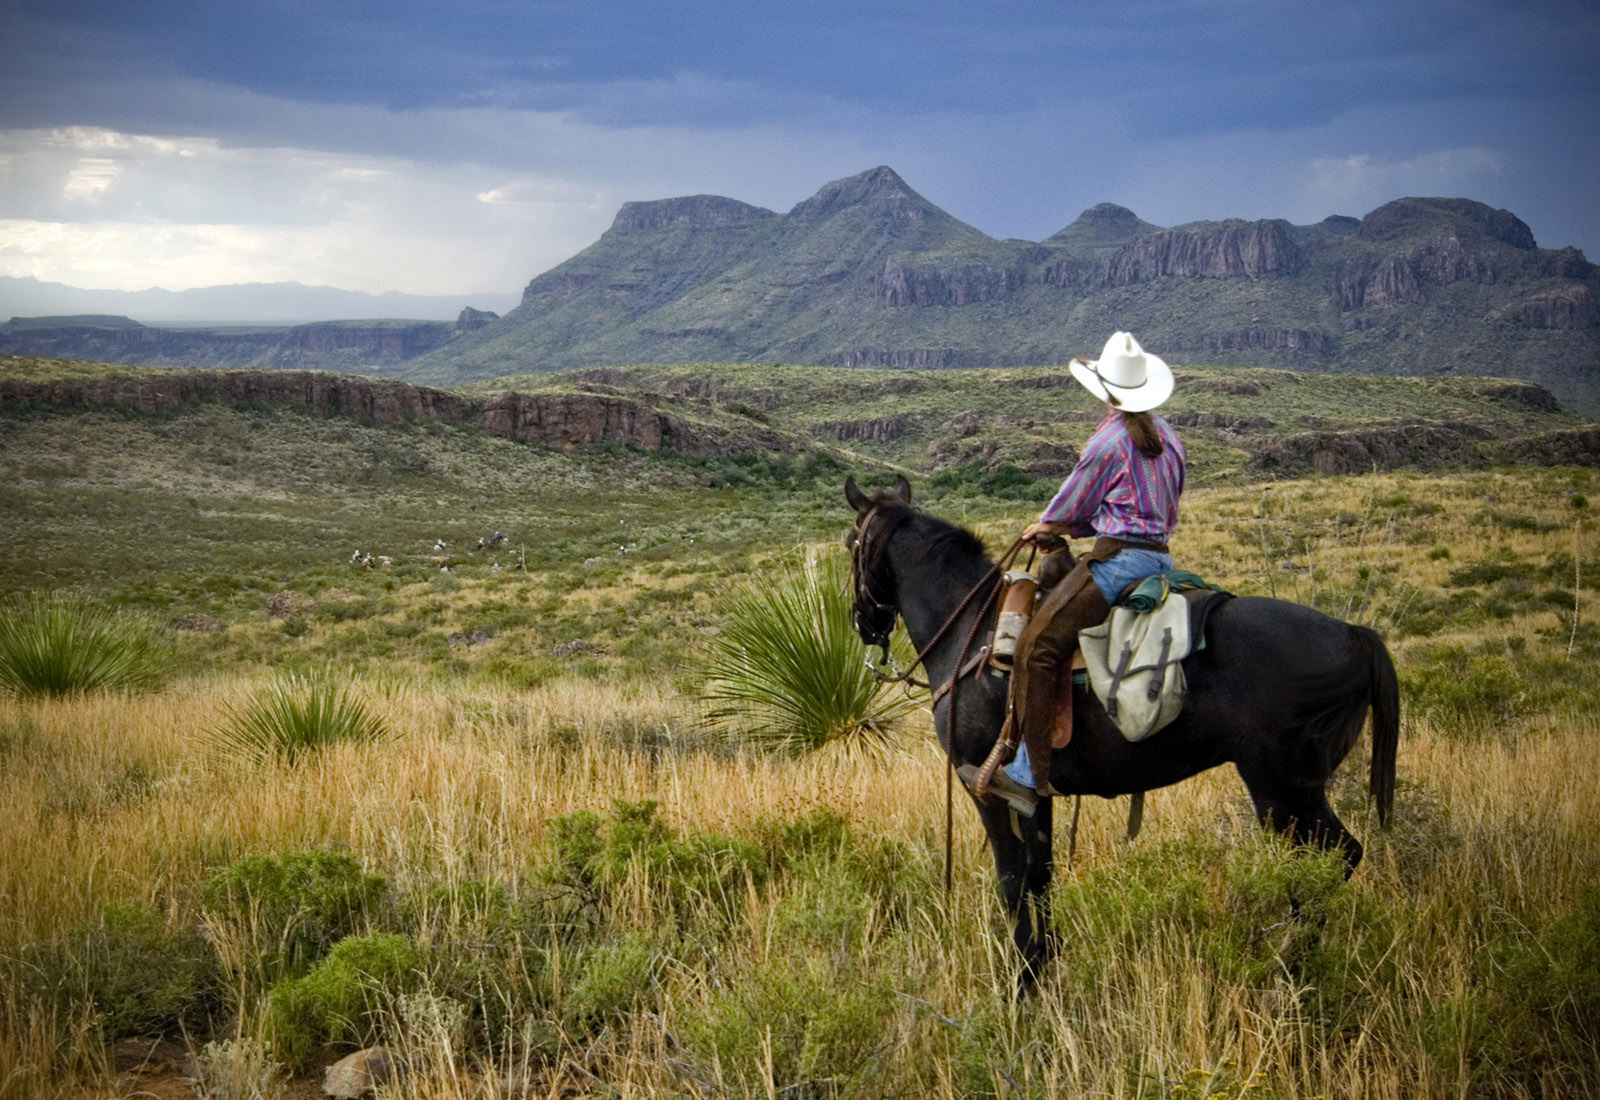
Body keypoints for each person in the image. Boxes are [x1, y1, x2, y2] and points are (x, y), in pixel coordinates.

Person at [1007, 331, 1186, 797]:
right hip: (1161, 559)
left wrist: (1046, 526)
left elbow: (1071, 506)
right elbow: (1166, 508)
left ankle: (1030, 776)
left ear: (1104, 391)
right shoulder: (1169, 435)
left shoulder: (1108, 440)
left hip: (1118, 561)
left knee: (1038, 647)